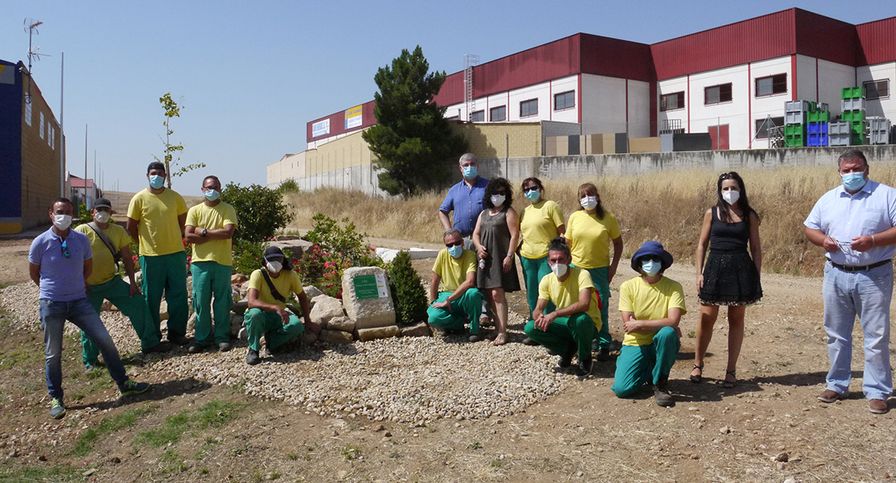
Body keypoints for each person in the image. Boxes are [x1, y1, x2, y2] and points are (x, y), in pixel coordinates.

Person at [29, 198, 150, 419]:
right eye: (59, 211)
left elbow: (87, 267)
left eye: (68, 212)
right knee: (53, 353)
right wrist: (51, 289)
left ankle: (123, 383)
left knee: (105, 340)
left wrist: (78, 284)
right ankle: (56, 397)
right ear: (51, 213)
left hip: (79, 301)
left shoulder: (80, 240)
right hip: (52, 303)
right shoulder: (40, 242)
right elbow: (34, 272)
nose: (63, 215)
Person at [804, 149, 895, 415]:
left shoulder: (886, 195)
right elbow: (810, 227)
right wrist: (823, 240)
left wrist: (873, 240)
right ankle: (836, 384)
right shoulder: (829, 199)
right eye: (846, 170)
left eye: (857, 169)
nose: (852, 174)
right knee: (836, 333)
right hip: (836, 273)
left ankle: (877, 391)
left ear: (867, 169)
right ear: (839, 172)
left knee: (876, 336)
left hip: (874, 274)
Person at [74, 197, 171, 370]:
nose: (102, 213)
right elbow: (73, 259)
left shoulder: (118, 231)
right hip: (88, 286)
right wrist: (79, 283)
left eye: (106, 210)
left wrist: (133, 283)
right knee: (89, 322)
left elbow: (127, 257)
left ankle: (150, 343)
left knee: (138, 304)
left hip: (112, 281)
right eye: (99, 210)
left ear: (111, 213)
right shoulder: (81, 231)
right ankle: (90, 360)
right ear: (92, 212)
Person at [691, 172, 763, 388]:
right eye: (725, 188)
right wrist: (699, 273)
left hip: (740, 269)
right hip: (714, 268)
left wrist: (756, 275)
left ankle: (731, 370)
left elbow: (756, 247)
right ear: (720, 191)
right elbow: (701, 244)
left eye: (733, 188)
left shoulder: (749, 215)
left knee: (736, 319)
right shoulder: (711, 213)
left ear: (741, 189)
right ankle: (697, 363)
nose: (730, 192)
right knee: (707, 317)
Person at [611, 241, 685, 408]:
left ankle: (660, 382)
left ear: (662, 263)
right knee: (622, 389)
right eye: (646, 259)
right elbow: (628, 324)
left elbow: (673, 321)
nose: (651, 263)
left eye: (655, 259)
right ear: (639, 263)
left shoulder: (674, 287)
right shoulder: (628, 286)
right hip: (635, 343)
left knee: (667, 334)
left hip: (659, 342)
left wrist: (640, 324)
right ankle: (650, 370)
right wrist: (662, 323)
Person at [126, 161, 190, 345]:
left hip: (175, 254)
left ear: (165, 176)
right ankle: (153, 337)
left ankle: (177, 333)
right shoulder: (139, 198)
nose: (157, 177)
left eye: (160, 174)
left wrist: (177, 239)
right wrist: (142, 245)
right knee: (151, 298)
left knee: (178, 296)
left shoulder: (175, 198)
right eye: (153, 173)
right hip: (150, 257)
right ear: (147, 175)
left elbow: (183, 223)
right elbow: (131, 227)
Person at [524, 239, 600, 377]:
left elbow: (584, 304)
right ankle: (567, 351)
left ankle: (585, 358)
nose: (557, 264)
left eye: (561, 259)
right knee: (530, 328)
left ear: (569, 259)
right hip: (566, 323)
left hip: (587, 323)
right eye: (553, 260)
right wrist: (538, 316)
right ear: (548, 262)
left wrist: (555, 314)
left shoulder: (582, 274)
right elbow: (538, 308)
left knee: (580, 320)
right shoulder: (547, 280)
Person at [565, 182, 623, 360]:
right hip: (577, 268)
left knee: (601, 305)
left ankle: (603, 343)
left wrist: (613, 267)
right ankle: (585, 341)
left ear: (597, 197)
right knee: (579, 306)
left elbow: (618, 243)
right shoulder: (575, 217)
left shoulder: (608, 218)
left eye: (590, 195)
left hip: (599, 270)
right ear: (579, 199)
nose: (587, 199)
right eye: (583, 196)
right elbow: (568, 243)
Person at [184, 175, 238, 353]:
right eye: (208, 187)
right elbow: (188, 236)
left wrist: (203, 232)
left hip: (222, 262)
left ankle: (222, 337)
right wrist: (213, 234)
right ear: (202, 189)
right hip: (200, 263)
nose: (212, 190)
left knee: (222, 301)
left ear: (220, 189)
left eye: (215, 187)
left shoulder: (228, 209)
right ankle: (202, 338)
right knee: (200, 301)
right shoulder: (195, 210)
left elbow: (228, 233)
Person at [244, 246, 317, 365]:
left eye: (278, 259)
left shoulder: (290, 275)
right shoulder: (258, 274)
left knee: (296, 326)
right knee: (254, 314)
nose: (275, 262)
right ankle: (253, 349)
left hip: (279, 315)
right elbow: (251, 302)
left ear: (283, 260)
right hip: (261, 313)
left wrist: (307, 321)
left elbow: (302, 297)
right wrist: (274, 307)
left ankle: (272, 343)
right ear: (265, 261)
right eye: (271, 259)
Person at [472, 177, 521, 346]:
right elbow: (476, 233)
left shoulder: (509, 212)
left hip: (500, 257)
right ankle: (496, 326)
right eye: (495, 192)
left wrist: (509, 256)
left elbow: (515, 235)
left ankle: (502, 331)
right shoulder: (484, 213)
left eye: (502, 192)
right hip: (485, 259)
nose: (498, 196)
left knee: (497, 294)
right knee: (488, 293)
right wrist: (478, 247)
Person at [518, 177, 565, 325]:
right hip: (527, 257)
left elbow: (562, 232)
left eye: (534, 188)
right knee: (531, 292)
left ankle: (549, 323)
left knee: (546, 290)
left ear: (540, 188)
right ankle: (534, 323)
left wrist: (558, 253)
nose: (530, 191)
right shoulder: (524, 211)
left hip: (546, 257)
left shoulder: (550, 206)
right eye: (526, 190)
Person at [427, 229, 484, 342]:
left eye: (457, 243)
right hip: (446, 293)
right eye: (449, 245)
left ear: (462, 242)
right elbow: (435, 280)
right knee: (433, 317)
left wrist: (449, 299)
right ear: (445, 246)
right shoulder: (442, 254)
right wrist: (433, 302)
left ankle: (474, 329)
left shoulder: (470, 255)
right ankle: (457, 324)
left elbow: (470, 281)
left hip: (463, 294)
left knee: (474, 294)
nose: (454, 247)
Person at [438, 153, 489, 246]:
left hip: (484, 239)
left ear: (477, 166)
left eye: (472, 164)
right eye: (466, 165)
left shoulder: (488, 186)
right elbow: (442, 212)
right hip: (461, 241)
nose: (469, 167)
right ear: (460, 168)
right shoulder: (454, 190)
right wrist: (449, 231)